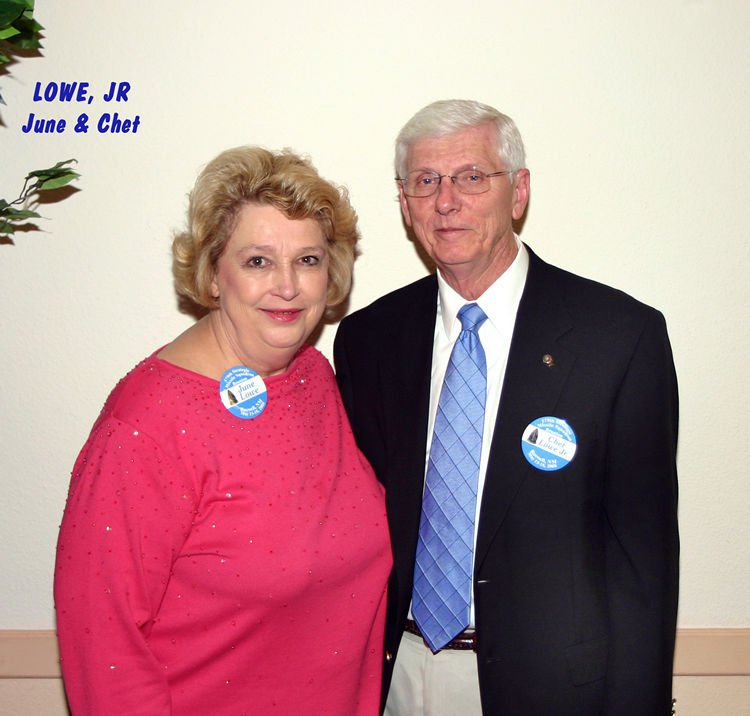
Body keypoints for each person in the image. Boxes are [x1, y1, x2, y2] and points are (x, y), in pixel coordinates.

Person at [334, 99, 679, 715]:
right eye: (425, 181)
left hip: (553, 689)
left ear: (518, 192)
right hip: (396, 674)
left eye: (471, 177)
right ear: (405, 203)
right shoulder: (368, 339)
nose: (446, 201)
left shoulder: (617, 337)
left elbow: (642, 559)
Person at [54, 146, 391, 715]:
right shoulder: (145, 426)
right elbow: (103, 644)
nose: (287, 286)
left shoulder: (313, 377)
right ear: (213, 274)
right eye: (258, 261)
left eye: (308, 260)